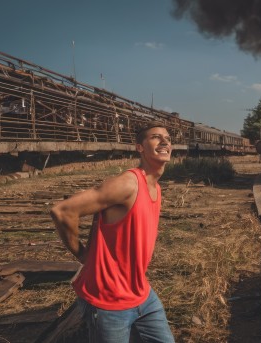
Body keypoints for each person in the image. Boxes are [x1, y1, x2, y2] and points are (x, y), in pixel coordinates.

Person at [50, 121, 175, 342]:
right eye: (156, 137)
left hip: (141, 293)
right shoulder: (128, 184)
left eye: (168, 138)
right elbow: (63, 211)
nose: (165, 141)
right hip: (107, 299)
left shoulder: (155, 186)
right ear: (140, 147)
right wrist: (82, 254)